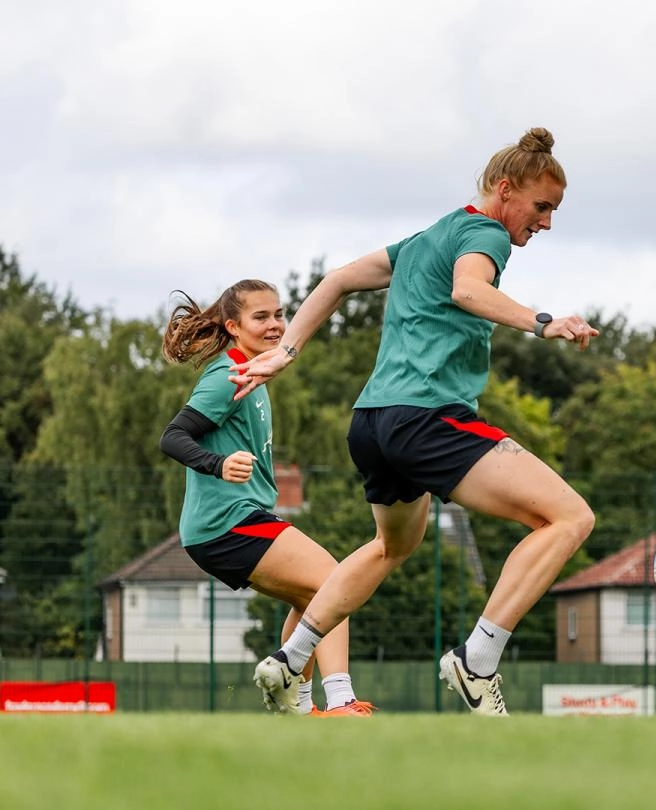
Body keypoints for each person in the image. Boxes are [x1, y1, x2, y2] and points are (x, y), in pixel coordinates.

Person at [230, 128, 599, 716]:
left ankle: (289, 658)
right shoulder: (485, 233)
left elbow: (337, 280)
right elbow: (469, 291)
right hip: (427, 419)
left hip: (373, 423)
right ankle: (478, 661)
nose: (547, 222)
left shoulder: (429, 236)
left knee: (390, 546)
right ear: (506, 191)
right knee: (569, 517)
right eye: (541, 207)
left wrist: (287, 351)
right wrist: (542, 321)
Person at [160, 280, 373, 716]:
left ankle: (297, 706)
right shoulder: (229, 373)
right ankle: (341, 701)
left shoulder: (255, 371)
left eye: (279, 314)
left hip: (232, 523)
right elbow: (173, 436)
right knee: (336, 584)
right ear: (234, 327)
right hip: (225, 523)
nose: (276, 325)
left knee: (313, 599)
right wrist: (217, 465)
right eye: (262, 317)